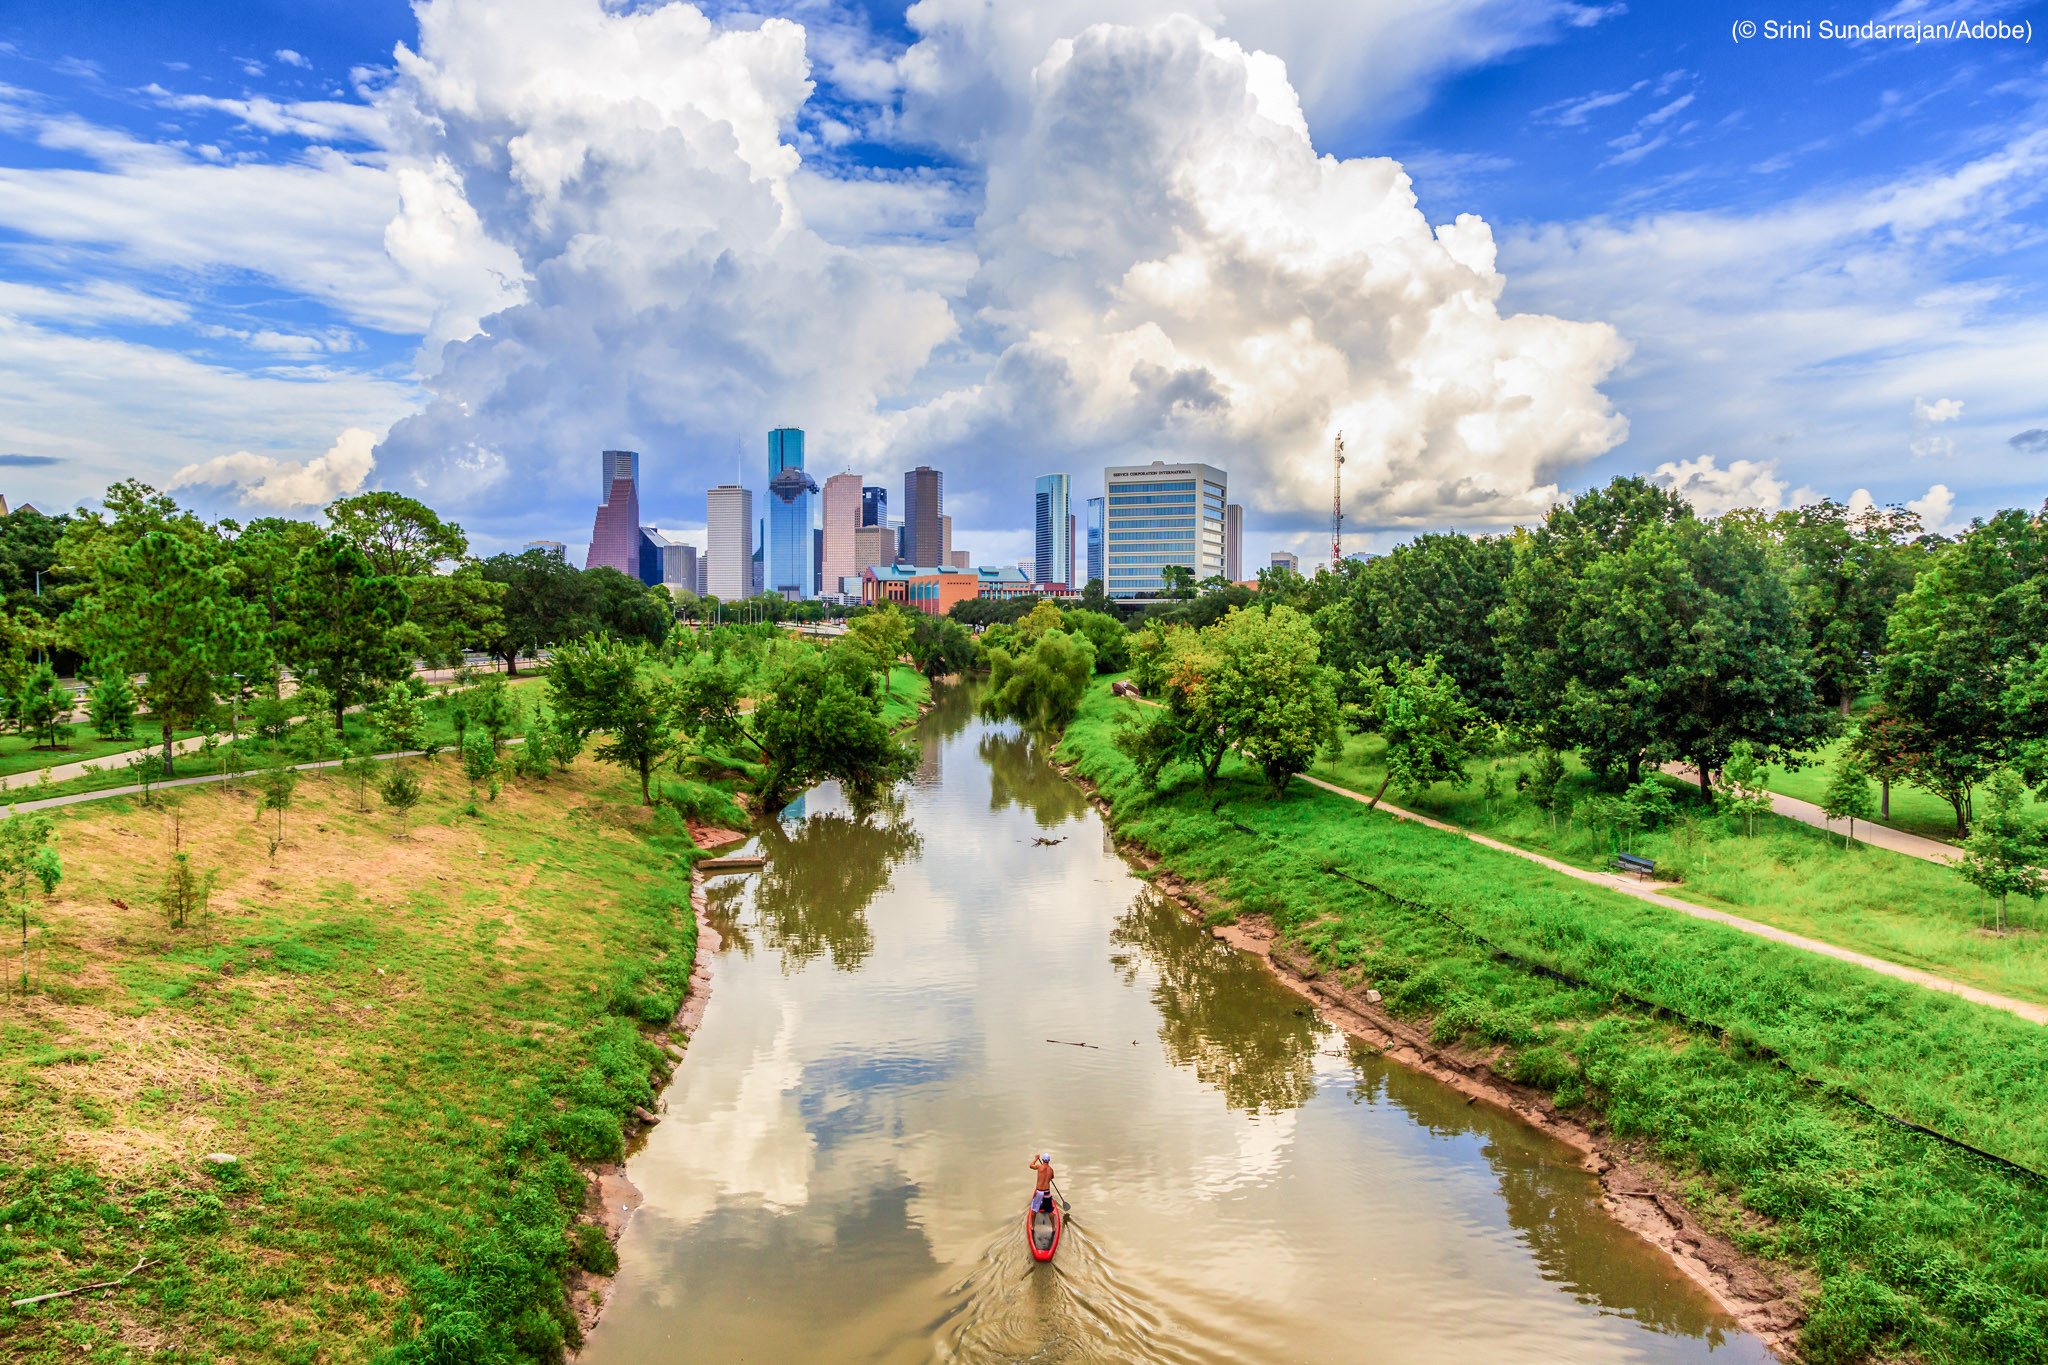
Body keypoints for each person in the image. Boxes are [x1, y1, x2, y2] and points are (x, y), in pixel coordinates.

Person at [1028, 1152, 1056, 1222]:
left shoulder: (1039, 1167)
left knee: (1034, 1209)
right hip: (1047, 1192)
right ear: (1049, 1160)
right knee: (1050, 1210)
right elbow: (1052, 1177)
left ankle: (1033, 1226)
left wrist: (1036, 1158)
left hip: (1039, 1191)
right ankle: (1053, 1227)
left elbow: (1031, 1166)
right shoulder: (1051, 1170)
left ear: (1042, 1160)